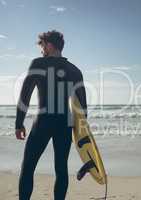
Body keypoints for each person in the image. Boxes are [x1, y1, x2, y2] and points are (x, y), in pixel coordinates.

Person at [15, 30, 87, 200]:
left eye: (42, 46)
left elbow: (25, 96)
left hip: (43, 122)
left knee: (28, 168)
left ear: (49, 45)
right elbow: (82, 109)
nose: (42, 50)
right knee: (61, 170)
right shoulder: (75, 70)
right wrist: (81, 134)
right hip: (64, 124)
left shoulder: (38, 64)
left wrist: (19, 123)